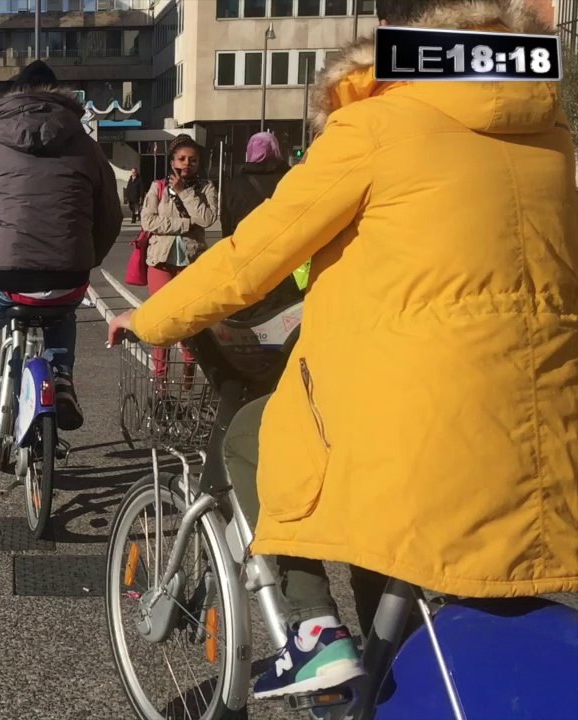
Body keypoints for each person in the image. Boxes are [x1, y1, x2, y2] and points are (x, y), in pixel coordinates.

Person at [107, 0, 578, 700]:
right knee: (396, 545)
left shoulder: (376, 126)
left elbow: (250, 256)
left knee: (252, 436)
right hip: (541, 419)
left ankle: (314, 633)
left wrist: (153, 319)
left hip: (414, 403)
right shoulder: (552, 137)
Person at [0, 59, 123, 461]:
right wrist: (87, 257)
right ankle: (60, 378)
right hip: (70, 270)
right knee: (63, 307)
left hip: (5, 275)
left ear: (13, 94)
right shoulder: (87, 145)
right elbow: (111, 215)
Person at [139, 134, 218, 379]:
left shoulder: (205, 188)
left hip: (191, 264)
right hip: (161, 263)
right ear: (172, 161)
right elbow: (149, 221)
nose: (187, 164)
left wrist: (185, 193)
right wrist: (184, 224)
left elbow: (207, 219)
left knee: (188, 320)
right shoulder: (158, 186)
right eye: (182, 159)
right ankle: (160, 380)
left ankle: (189, 367)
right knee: (162, 321)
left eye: (192, 160)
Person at [221, 131, 288, 237]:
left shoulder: (234, 184)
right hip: (280, 242)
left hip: (245, 244)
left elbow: (226, 222)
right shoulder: (289, 179)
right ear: (276, 150)